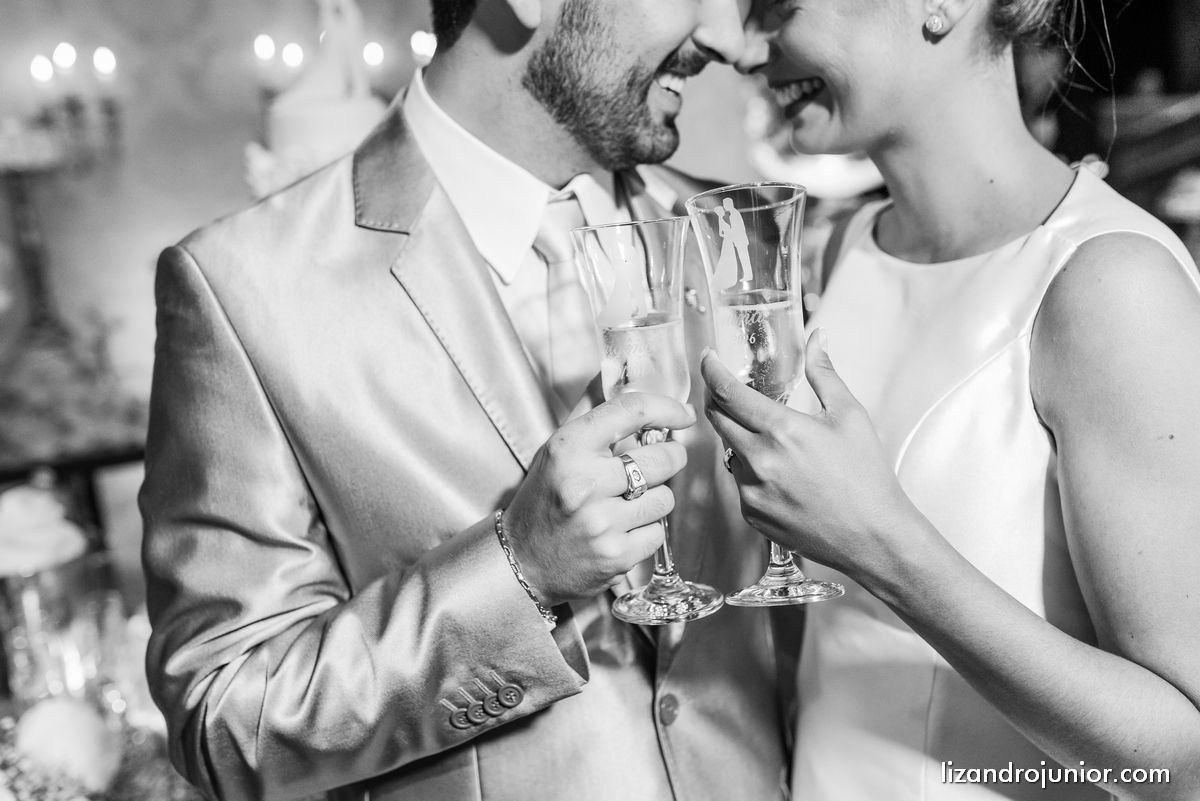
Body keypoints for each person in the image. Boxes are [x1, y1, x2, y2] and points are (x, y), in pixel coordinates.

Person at [139, 1, 800, 799]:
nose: (728, 40)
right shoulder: (246, 289)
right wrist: (517, 570)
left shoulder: (741, 233)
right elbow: (224, 722)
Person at [702, 0, 1200, 799]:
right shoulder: (834, 252)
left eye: (779, 6)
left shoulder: (1110, 286)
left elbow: (1184, 762)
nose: (745, 46)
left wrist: (881, 544)